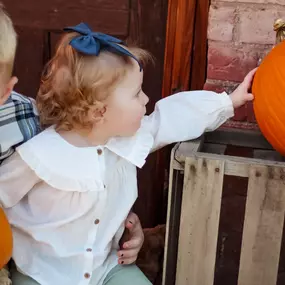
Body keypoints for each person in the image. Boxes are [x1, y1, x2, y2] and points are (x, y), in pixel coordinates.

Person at [0, 22, 256, 285]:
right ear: (99, 112)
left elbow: (171, 119)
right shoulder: (39, 155)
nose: (146, 100)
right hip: (41, 273)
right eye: (136, 94)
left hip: (105, 268)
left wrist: (227, 102)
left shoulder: (129, 140)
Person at [0, 6, 145, 284]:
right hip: (36, 269)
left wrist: (123, 220)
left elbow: (166, 121)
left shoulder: (25, 123)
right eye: (137, 94)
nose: (145, 100)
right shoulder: (36, 150)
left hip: (94, 265)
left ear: (6, 91)